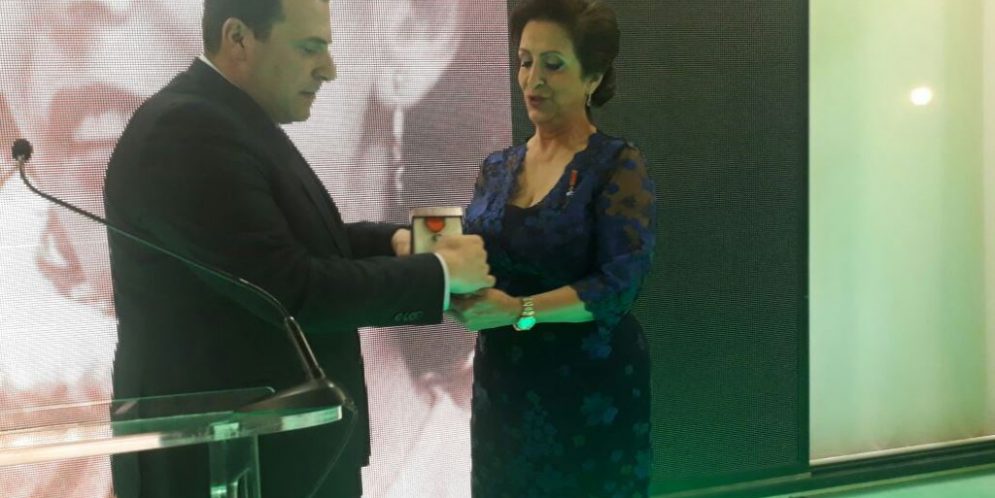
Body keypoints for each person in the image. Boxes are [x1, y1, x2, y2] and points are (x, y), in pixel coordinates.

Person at [102, 1, 493, 498]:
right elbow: (292, 291)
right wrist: (438, 274)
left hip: (272, 457)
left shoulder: (223, 119)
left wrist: (392, 243)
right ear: (239, 40)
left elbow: (278, 246)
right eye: (311, 49)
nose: (328, 69)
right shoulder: (186, 131)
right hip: (232, 465)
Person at [452, 0, 656, 496]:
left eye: (553, 64)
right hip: (503, 383)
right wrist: (446, 279)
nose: (532, 80)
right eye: (525, 62)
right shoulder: (496, 167)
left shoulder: (617, 164)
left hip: (588, 388)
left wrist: (519, 310)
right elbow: (477, 258)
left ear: (593, 78)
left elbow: (618, 287)